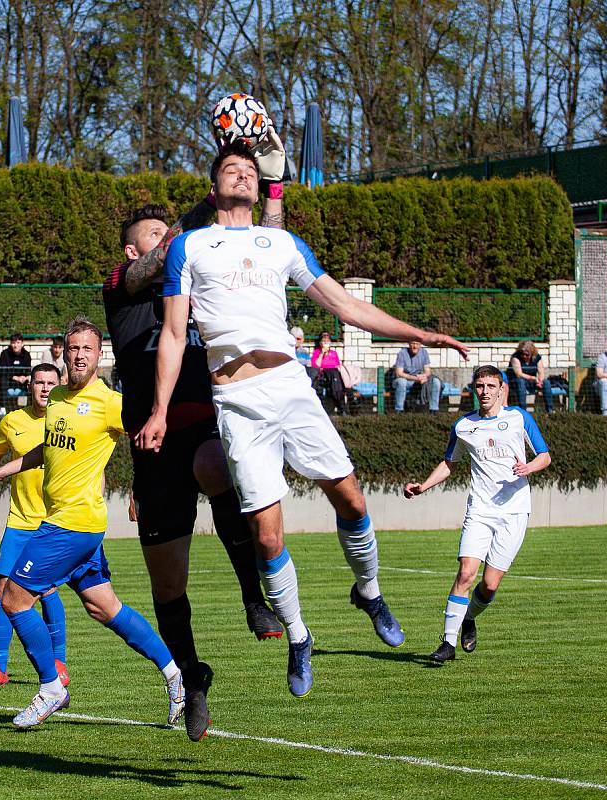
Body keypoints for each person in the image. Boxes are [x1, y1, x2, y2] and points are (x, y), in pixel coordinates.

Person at [138, 141, 469, 700]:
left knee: (353, 501)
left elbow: (346, 306)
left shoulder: (282, 242)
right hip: (236, 402)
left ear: (259, 183)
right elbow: (174, 334)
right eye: (230, 169)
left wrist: (415, 331)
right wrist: (159, 410)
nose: (241, 175)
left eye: (249, 169)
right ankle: (299, 636)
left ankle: (369, 591)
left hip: (291, 388)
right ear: (214, 185)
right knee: (267, 538)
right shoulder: (190, 246)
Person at [103, 192, 284, 741]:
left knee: (215, 464)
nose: (169, 242)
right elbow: (151, 267)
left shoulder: (197, 282)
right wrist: (205, 207)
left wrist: (266, 195)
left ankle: (254, 595)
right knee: (167, 585)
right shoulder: (121, 285)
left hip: (203, 422)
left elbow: (265, 253)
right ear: (134, 250)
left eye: (168, 232)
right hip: (150, 442)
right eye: (156, 236)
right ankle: (193, 676)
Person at [0, 317, 183, 730]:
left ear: (99, 354)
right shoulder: (58, 400)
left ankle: (51, 688)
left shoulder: (110, 401)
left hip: (73, 524)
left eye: (87, 349)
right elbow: (44, 450)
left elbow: (151, 439)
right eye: (73, 349)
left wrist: (143, 488)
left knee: (14, 598)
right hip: (69, 524)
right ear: (63, 353)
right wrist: (1, 471)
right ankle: (177, 676)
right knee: (103, 607)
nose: (79, 355)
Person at [403, 366, 551, 662]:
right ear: (475, 389)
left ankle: (469, 618)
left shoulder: (519, 418)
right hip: (480, 511)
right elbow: (449, 463)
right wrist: (424, 486)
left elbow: (545, 456)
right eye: (480, 386)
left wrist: (529, 467)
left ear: (501, 389)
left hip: (514, 511)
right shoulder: (463, 426)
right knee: (466, 574)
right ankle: (447, 643)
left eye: (490, 386)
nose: (485, 391)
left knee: (490, 584)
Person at [0, 363, 69, 689]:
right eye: (39, 382)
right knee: (3, 590)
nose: (44, 388)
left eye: (50, 382)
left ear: (59, 385)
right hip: (19, 520)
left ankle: (59, 663)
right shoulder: (13, 421)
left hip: (53, 521)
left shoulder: (68, 419)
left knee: (46, 591)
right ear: (30, 385)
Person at [393, 340, 442, 413]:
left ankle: (433, 410)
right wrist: (415, 378)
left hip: (418, 379)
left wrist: (423, 376)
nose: (415, 346)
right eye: (413, 343)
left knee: (436, 381)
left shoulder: (424, 352)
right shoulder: (402, 353)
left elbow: (427, 371)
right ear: (409, 344)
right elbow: (399, 373)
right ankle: (399, 410)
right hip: (405, 380)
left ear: (420, 344)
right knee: (401, 382)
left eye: (417, 344)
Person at [507, 340, 553, 414]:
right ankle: (523, 411)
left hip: (531, 381)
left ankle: (550, 410)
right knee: (520, 381)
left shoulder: (537, 357)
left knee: (546, 382)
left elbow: (541, 371)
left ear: (532, 353)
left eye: (527, 355)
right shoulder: (515, 357)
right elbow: (519, 374)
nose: (524, 356)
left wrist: (540, 381)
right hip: (516, 382)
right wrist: (534, 378)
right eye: (523, 354)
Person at [0, 332, 32, 414]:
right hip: (9, 380)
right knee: (2, 380)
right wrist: (15, 377)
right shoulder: (4, 354)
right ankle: (2, 408)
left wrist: (27, 377)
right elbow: (3, 371)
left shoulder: (26, 355)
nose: (15, 345)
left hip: (22, 382)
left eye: (18, 342)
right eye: (13, 342)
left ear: (22, 344)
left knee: (32, 382)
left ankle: (31, 408)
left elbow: (28, 370)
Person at [311, 331, 346, 413]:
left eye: (327, 341)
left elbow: (338, 366)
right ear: (320, 343)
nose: (326, 342)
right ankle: (340, 407)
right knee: (332, 376)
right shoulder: (317, 352)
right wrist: (322, 353)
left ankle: (340, 406)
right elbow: (316, 365)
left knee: (335, 375)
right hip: (323, 377)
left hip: (334, 376)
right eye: (324, 341)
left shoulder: (334, 353)